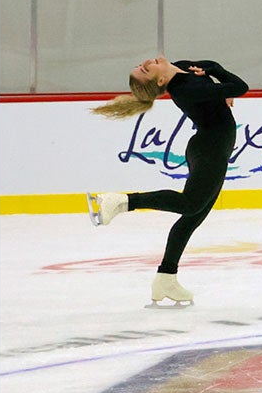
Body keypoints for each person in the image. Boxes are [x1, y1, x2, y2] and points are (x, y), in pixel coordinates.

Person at [88, 55, 250, 307]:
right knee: (189, 205)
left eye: (141, 65)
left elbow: (203, 65)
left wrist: (209, 73)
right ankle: (123, 201)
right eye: (145, 69)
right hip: (210, 149)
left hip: (211, 148)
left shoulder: (182, 69)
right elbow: (241, 87)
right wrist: (216, 72)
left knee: (192, 217)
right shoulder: (188, 90)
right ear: (161, 79)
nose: (146, 62)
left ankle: (166, 277)